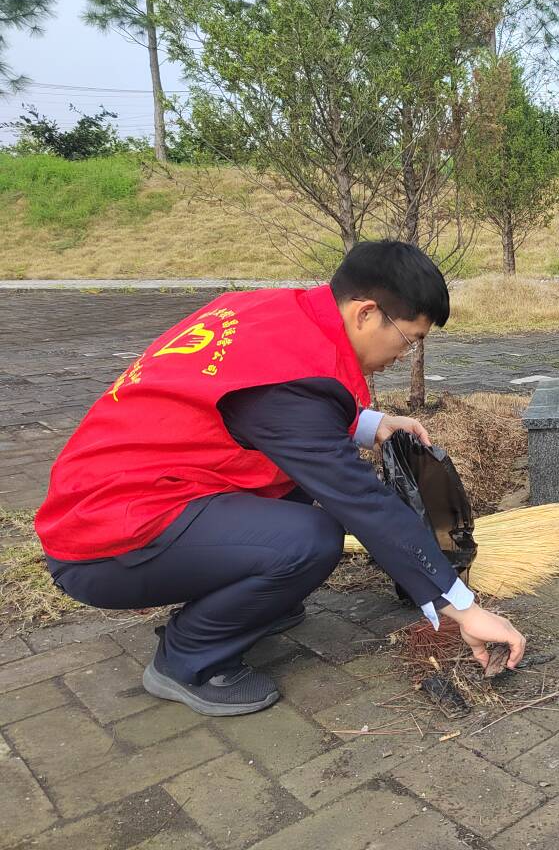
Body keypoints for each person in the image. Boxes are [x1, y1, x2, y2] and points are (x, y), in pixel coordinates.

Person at [35, 240, 525, 716]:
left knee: (295, 491)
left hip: (131, 493)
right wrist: (461, 607)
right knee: (310, 539)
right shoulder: (289, 385)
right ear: (366, 313)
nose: (405, 353)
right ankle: (188, 659)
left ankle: (257, 603)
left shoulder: (274, 314)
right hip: (108, 540)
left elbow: (267, 404)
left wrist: (369, 423)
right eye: (409, 337)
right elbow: (359, 498)